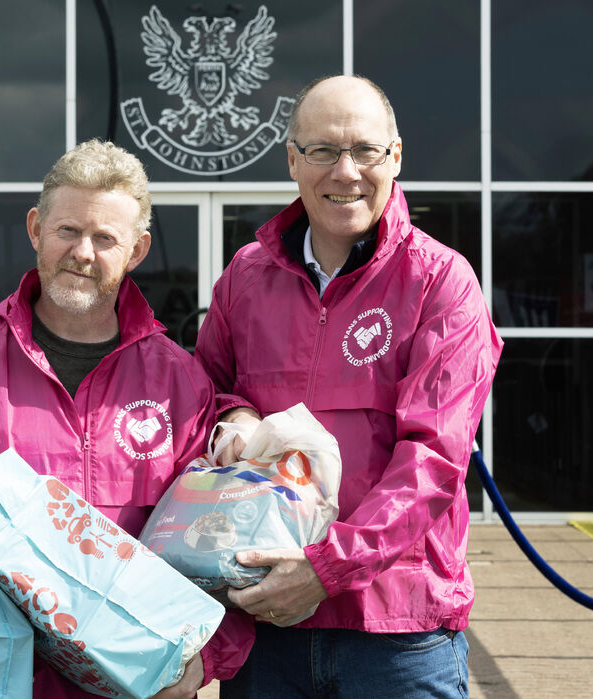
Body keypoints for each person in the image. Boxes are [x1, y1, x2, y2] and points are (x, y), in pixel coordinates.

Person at [0, 140, 253, 698]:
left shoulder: (180, 383)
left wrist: (207, 656)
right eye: (68, 230)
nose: (83, 252)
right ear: (36, 228)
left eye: (105, 238)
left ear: (136, 251)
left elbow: (214, 545)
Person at [194, 75, 503, 698]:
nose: (346, 171)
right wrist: (236, 418)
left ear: (395, 156)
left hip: (397, 633)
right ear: (291, 159)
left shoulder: (441, 283)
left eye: (364, 150)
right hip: (268, 621)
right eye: (322, 151)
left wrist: (326, 569)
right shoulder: (245, 279)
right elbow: (208, 393)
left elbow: (433, 460)